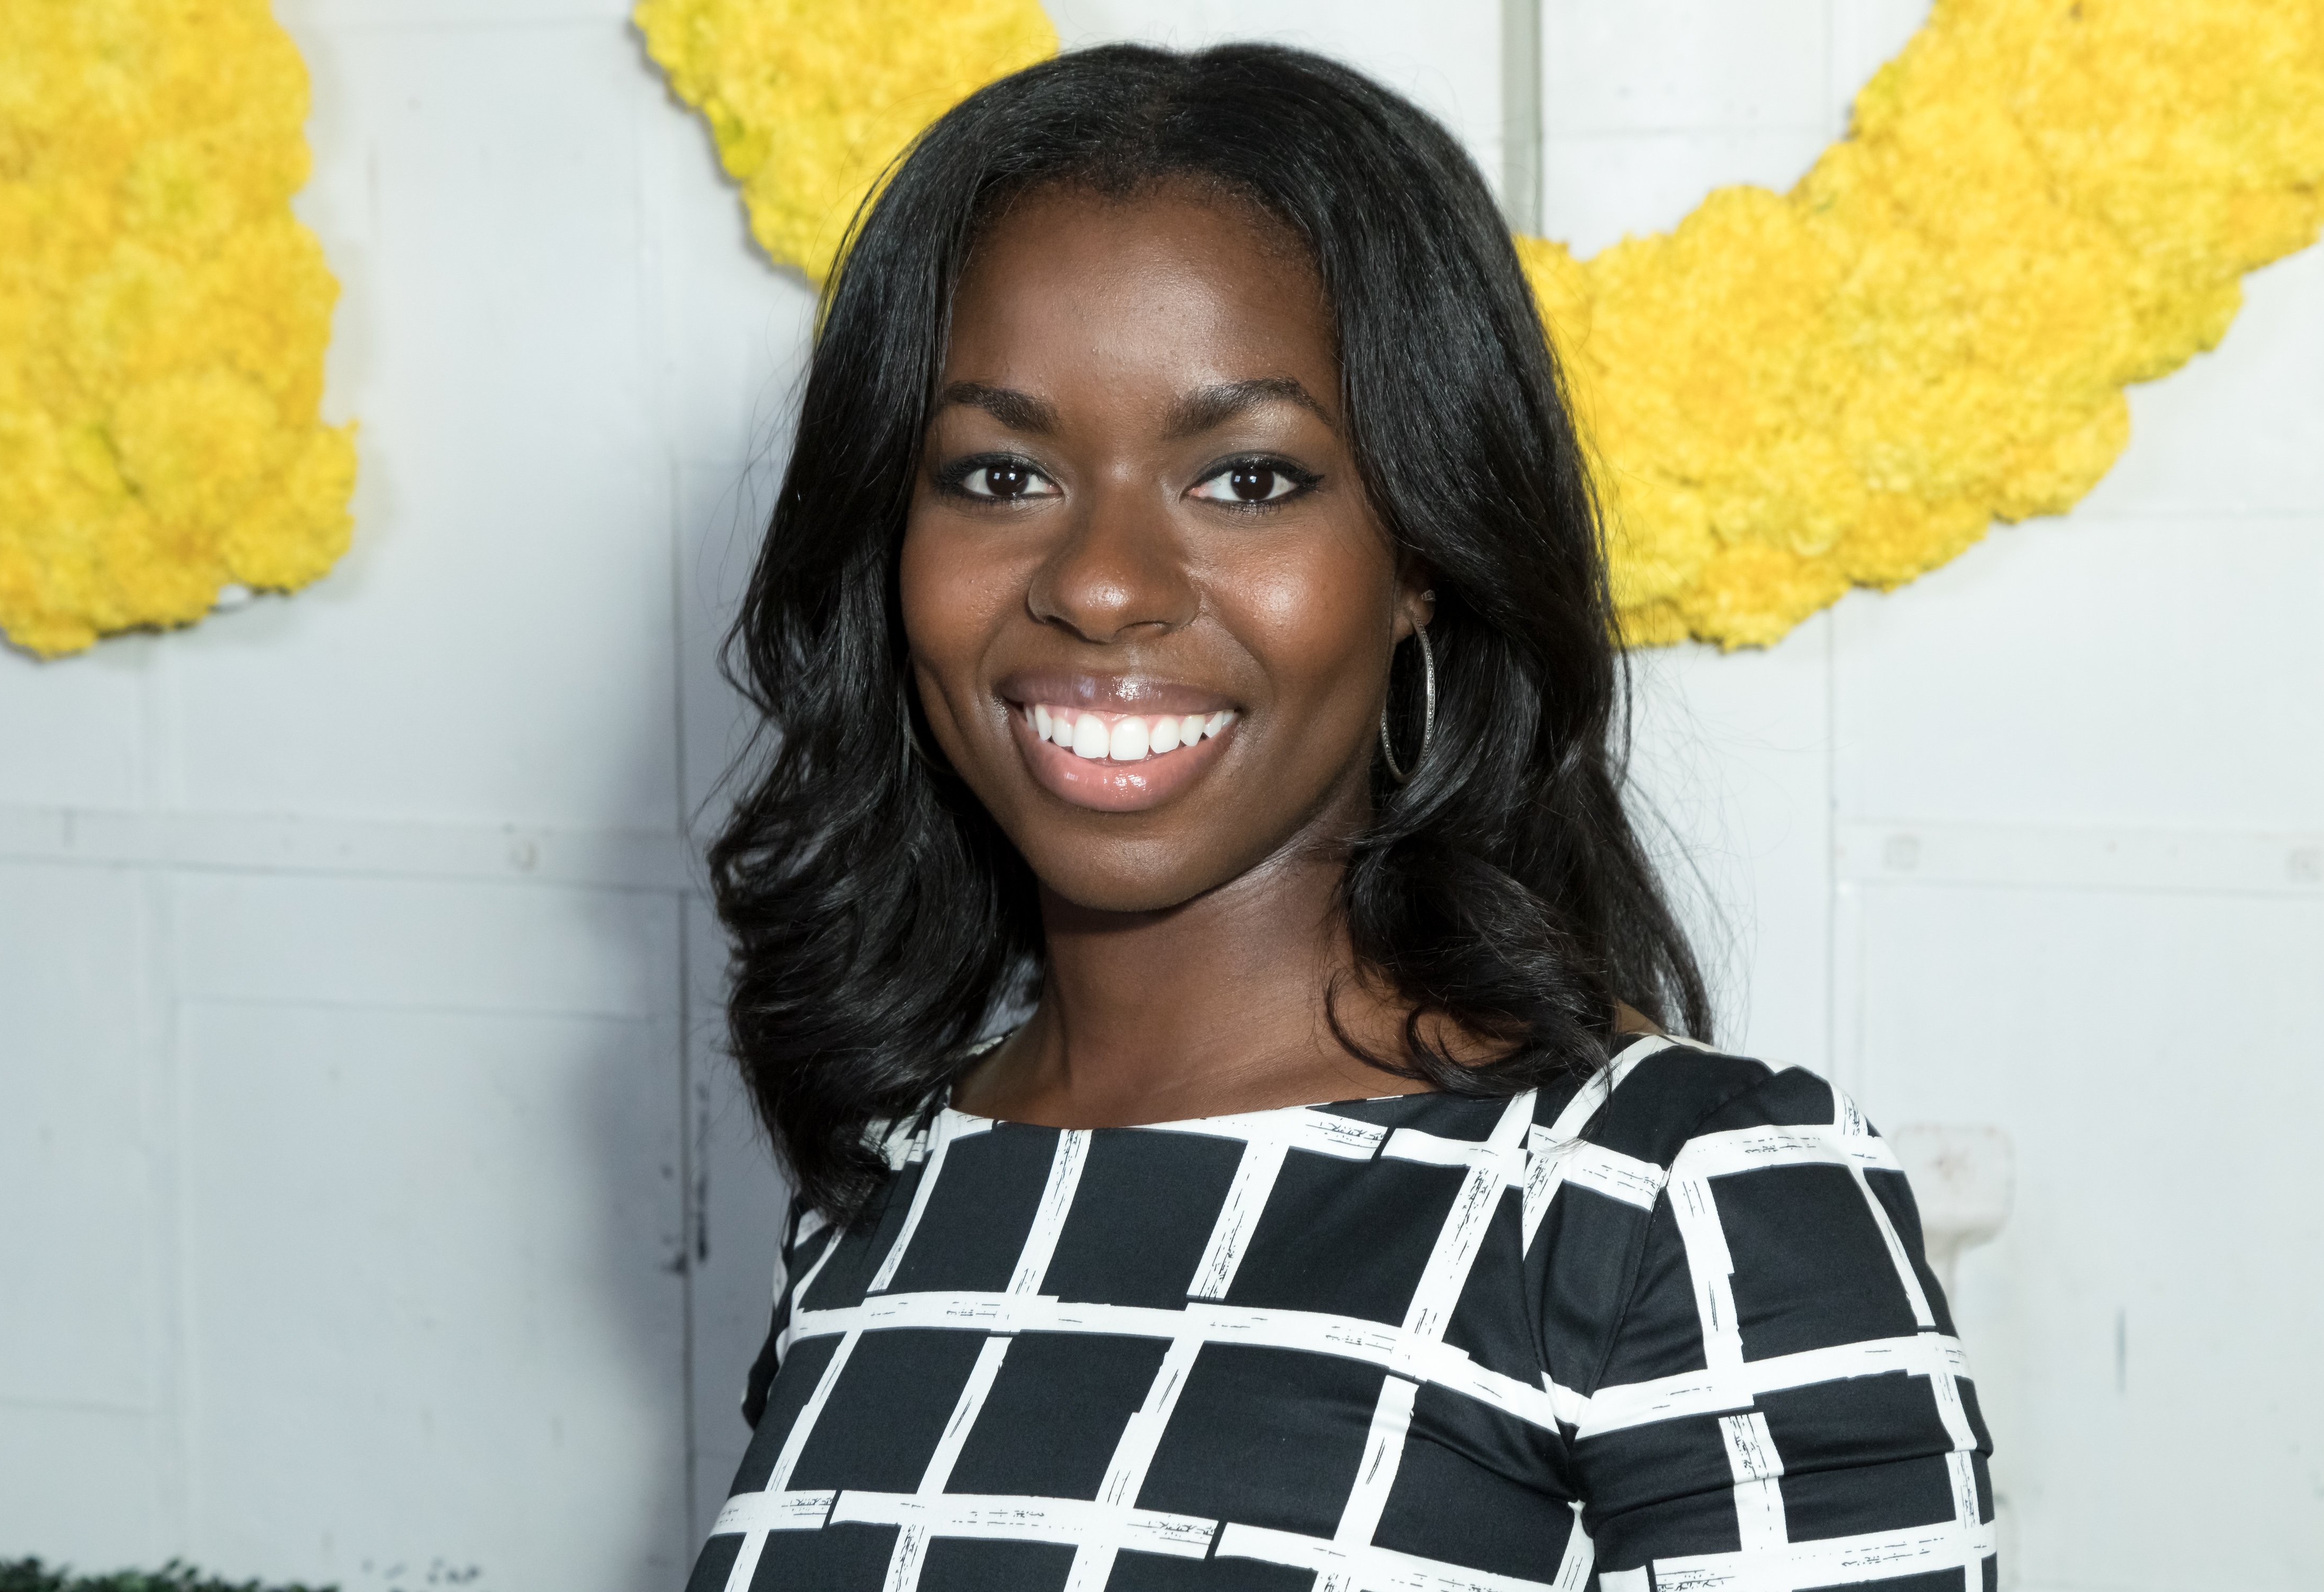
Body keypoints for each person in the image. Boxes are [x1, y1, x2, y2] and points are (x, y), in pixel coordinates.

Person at [688, 41, 1994, 1592]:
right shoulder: (884, 1182)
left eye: (1245, 479)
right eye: (995, 474)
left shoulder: (1671, 1209)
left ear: (1424, 552)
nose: (1101, 582)